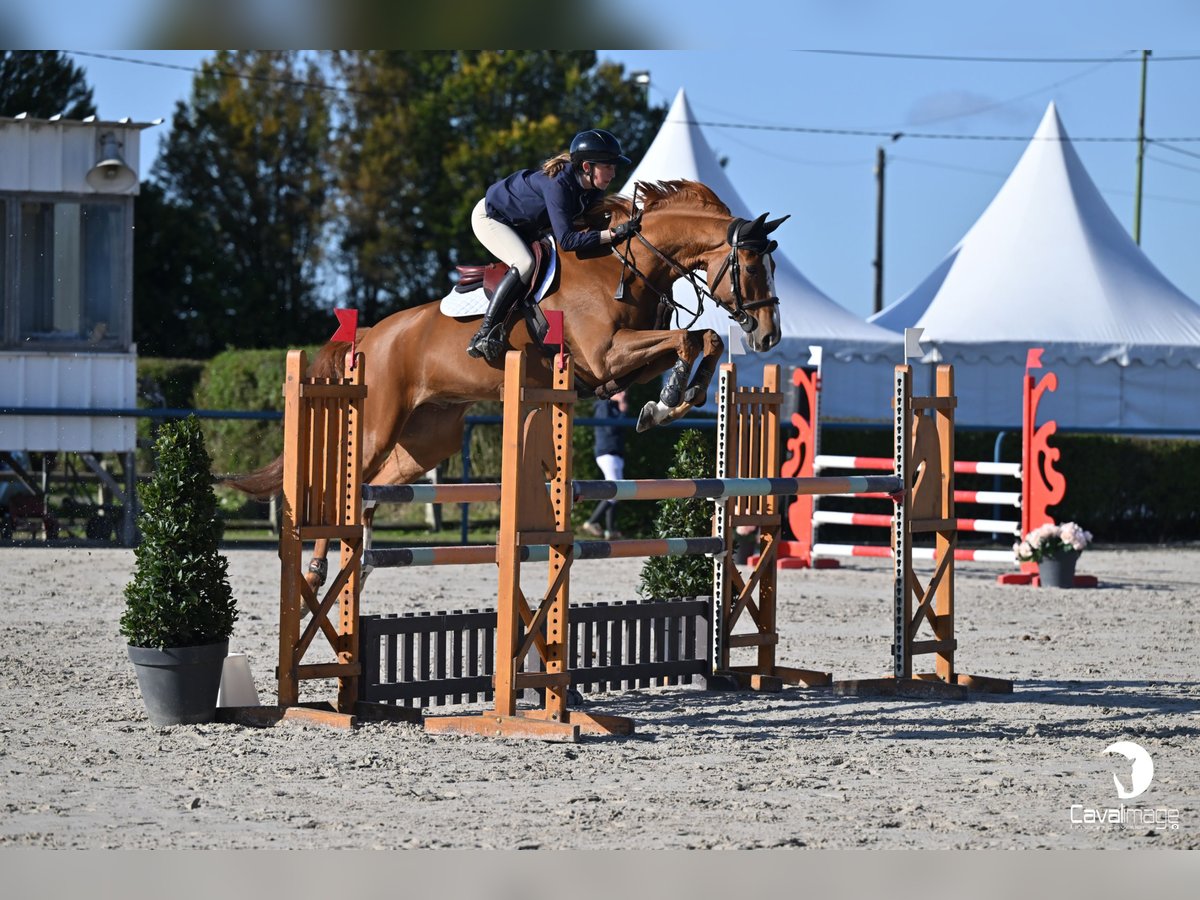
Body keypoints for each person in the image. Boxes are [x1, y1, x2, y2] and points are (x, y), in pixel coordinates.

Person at [466, 128, 641, 361]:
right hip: (491, 217)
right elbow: (568, 241)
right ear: (587, 167)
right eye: (607, 166)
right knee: (525, 263)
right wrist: (612, 235)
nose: (613, 172)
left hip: (525, 226)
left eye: (613, 166)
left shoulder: (592, 190)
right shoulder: (558, 185)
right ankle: (485, 333)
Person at [582, 390, 628, 540]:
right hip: (607, 453)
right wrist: (622, 411)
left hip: (614, 453)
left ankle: (610, 530)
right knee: (615, 492)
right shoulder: (603, 405)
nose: (624, 392)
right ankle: (591, 522)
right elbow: (610, 429)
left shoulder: (612, 406)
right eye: (620, 390)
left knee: (615, 492)